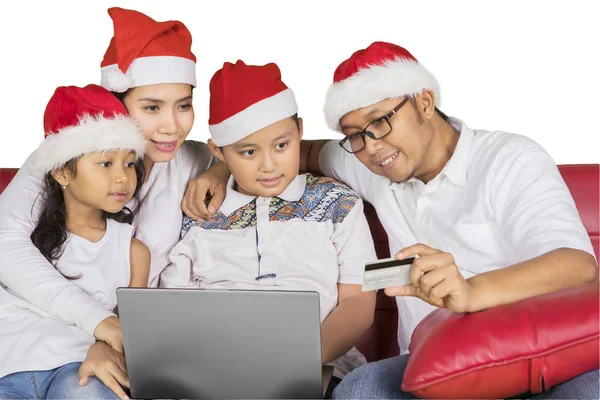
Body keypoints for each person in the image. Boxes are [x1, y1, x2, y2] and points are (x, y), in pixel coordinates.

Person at [196, 41, 599, 399]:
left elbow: (577, 265)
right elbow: (287, 152)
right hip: (429, 371)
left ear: (424, 102)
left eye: (380, 122)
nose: (372, 147)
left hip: (533, 358)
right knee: (360, 390)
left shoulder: (508, 158)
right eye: (355, 135)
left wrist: (471, 291)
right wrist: (218, 170)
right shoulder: (372, 166)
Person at [0, 7, 226, 399]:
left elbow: (267, 148)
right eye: (152, 107)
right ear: (117, 105)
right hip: (41, 342)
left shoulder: (189, 158)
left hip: (115, 347)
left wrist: (221, 169)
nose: (172, 125)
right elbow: (6, 245)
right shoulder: (64, 155)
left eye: (184, 105)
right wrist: (101, 325)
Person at [159, 60, 378, 388]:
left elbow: (358, 302)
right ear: (218, 152)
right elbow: (170, 307)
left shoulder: (338, 202)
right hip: (216, 372)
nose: (269, 165)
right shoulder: (200, 216)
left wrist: (305, 356)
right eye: (248, 152)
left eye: (282, 145)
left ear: (300, 132)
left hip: (318, 365)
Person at [0, 84, 150, 399]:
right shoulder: (25, 237)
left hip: (78, 366)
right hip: (8, 367)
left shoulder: (132, 251)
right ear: (62, 173)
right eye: (106, 164)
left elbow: (130, 333)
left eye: (129, 162)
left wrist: (100, 350)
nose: (123, 177)